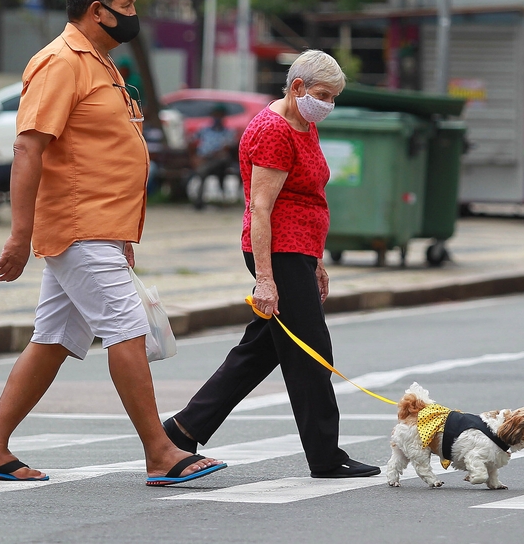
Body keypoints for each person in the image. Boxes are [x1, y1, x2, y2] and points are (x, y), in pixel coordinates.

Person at [0, 0, 225, 486]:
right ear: (96, 10)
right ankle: (160, 451)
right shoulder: (60, 62)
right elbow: (27, 148)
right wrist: (19, 235)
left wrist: (122, 235)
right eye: (126, 7)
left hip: (100, 228)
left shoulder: (101, 63)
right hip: (77, 226)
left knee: (54, 340)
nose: (134, 16)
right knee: (127, 329)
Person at [162, 50, 382, 479]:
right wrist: (266, 279)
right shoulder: (273, 130)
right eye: (322, 94)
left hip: (297, 252)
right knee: (311, 353)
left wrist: (315, 260)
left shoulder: (305, 124)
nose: (328, 104)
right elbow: (260, 208)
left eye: (334, 97)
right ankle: (326, 456)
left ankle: (183, 429)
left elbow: (308, 198)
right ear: (296, 87)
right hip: (276, 252)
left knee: (260, 350)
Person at [188, 104, 237, 209]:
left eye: (220, 115)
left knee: (220, 160)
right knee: (203, 170)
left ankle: (199, 200)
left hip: (219, 162)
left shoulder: (228, 132)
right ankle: (199, 201)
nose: (217, 117)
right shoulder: (204, 129)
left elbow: (227, 148)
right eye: (215, 115)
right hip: (204, 159)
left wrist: (215, 153)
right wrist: (195, 157)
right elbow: (191, 141)